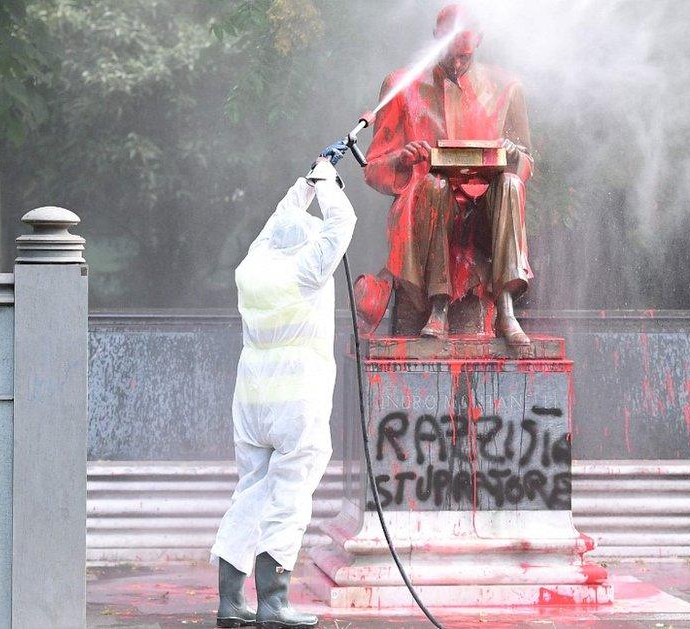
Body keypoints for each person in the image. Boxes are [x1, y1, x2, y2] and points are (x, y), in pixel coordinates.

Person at [210, 141, 356, 629]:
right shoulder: (307, 269)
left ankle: (231, 602)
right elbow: (342, 224)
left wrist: (308, 181)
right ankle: (273, 602)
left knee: (251, 491)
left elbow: (279, 221)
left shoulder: (253, 264)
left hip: (251, 397)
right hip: (296, 396)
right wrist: (328, 184)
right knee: (290, 493)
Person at [364, 4, 534, 345]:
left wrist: (515, 155)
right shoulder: (402, 85)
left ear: (478, 43)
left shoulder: (506, 87)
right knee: (434, 182)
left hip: (483, 209)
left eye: (464, 57)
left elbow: (527, 162)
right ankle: (437, 304)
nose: (456, 64)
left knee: (511, 184)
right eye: (450, 54)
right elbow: (374, 168)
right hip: (425, 206)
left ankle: (505, 305)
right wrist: (400, 158)